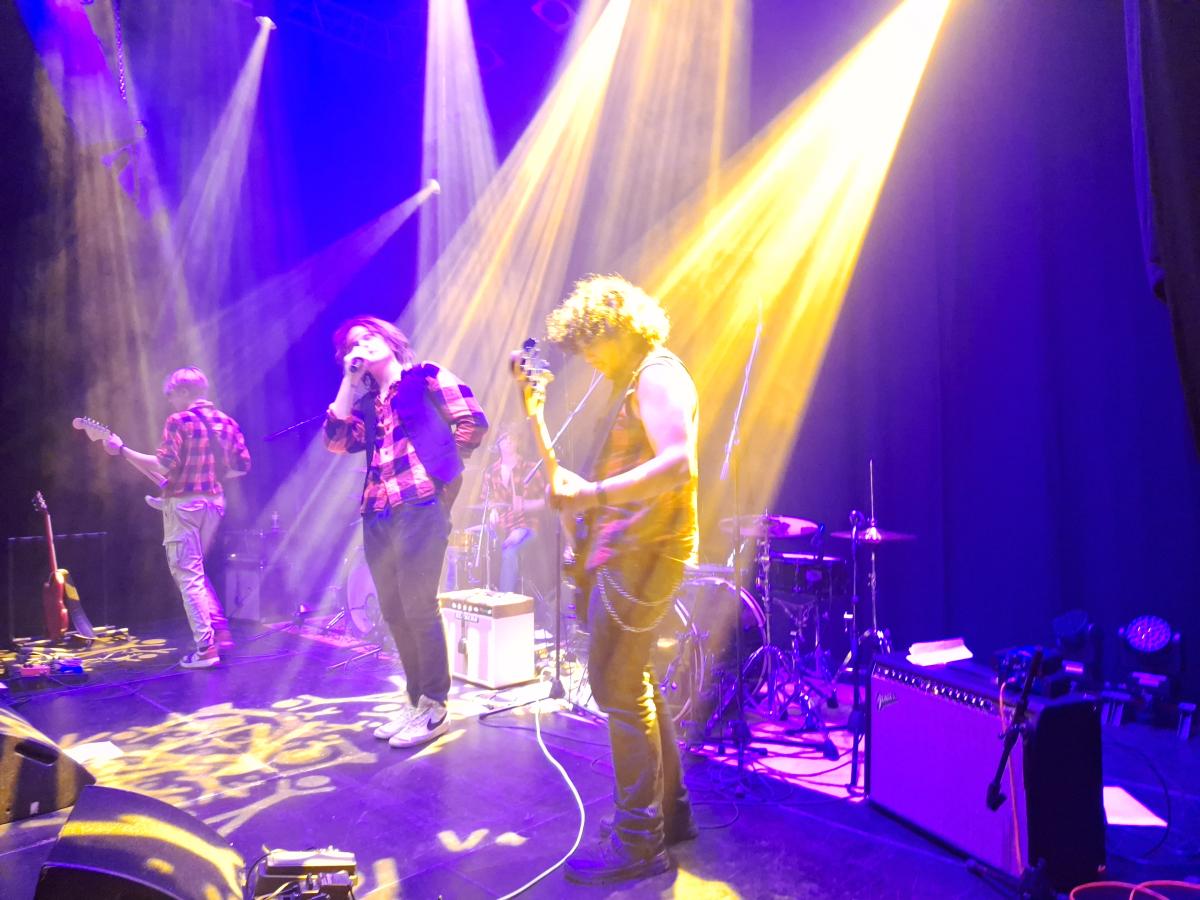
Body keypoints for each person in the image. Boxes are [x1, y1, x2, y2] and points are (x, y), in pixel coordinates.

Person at [543, 274, 700, 885]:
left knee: (617, 686)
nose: (586, 358)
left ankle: (639, 843)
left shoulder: (658, 375)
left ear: (615, 329)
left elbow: (678, 463)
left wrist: (594, 494)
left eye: (590, 343)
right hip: (633, 550)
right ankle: (670, 814)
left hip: (647, 554)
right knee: (635, 681)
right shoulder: (636, 380)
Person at [324, 316, 488, 749]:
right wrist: (349, 381)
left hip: (419, 504)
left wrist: (444, 474)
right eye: (352, 344)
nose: (360, 346)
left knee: (419, 606)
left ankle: (435, 704)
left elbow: (472, 419)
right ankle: (415, 698)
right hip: (377, 510)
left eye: (368, 337)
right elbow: (336, 440)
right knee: (393, 610)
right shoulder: (366, 403)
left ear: (390, 340)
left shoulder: (425, 377)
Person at [103, 366, 251, 669]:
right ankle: (220, 632)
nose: (170, 401)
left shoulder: (179, 420)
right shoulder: (226, 421)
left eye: (171, 395)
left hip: (186, 506)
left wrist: (123, 451)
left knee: (187, 575)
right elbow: (242, 466)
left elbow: (164, 465)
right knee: (195, 571)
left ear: (183, 392)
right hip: (214, 503)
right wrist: (212, 477)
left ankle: (205, 649)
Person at [483, 429, 546, 596]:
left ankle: (505, 601)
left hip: (527, 526)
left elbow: (545, 502)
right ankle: (481, 595)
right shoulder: (491, 471)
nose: (508, 441)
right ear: (498, 444)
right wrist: (492, 510)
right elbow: (488, 500)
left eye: (512, 437)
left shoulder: (530, 468)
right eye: (504, 438)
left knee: (510, 551)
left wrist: (523, 507)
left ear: (518, 442)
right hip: (502, 527)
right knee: (475, 543)